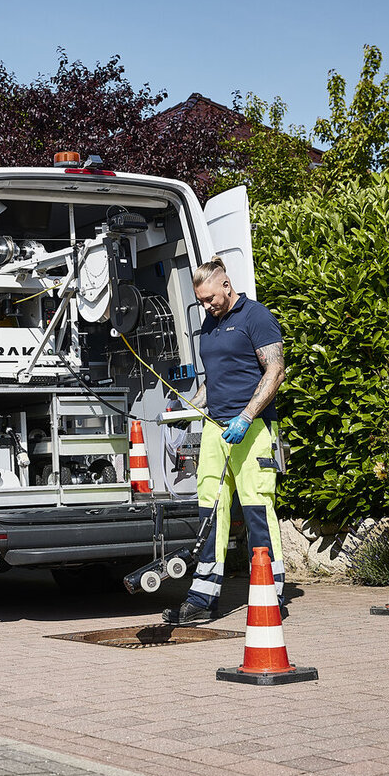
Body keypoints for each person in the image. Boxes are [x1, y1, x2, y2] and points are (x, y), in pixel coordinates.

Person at [164, 257, 286, 625]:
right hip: (216, 430)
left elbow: (275, 370)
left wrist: (246, 417)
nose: (206, 306)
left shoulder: (256, 317)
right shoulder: (210, 323)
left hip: (253, 430)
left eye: (210, 298)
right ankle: (203, 599)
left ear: (226, 285)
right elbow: (214, 379)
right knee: (210, 512)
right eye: (201, 301)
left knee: (257, 509)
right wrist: (188, 406)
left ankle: (271, 594)